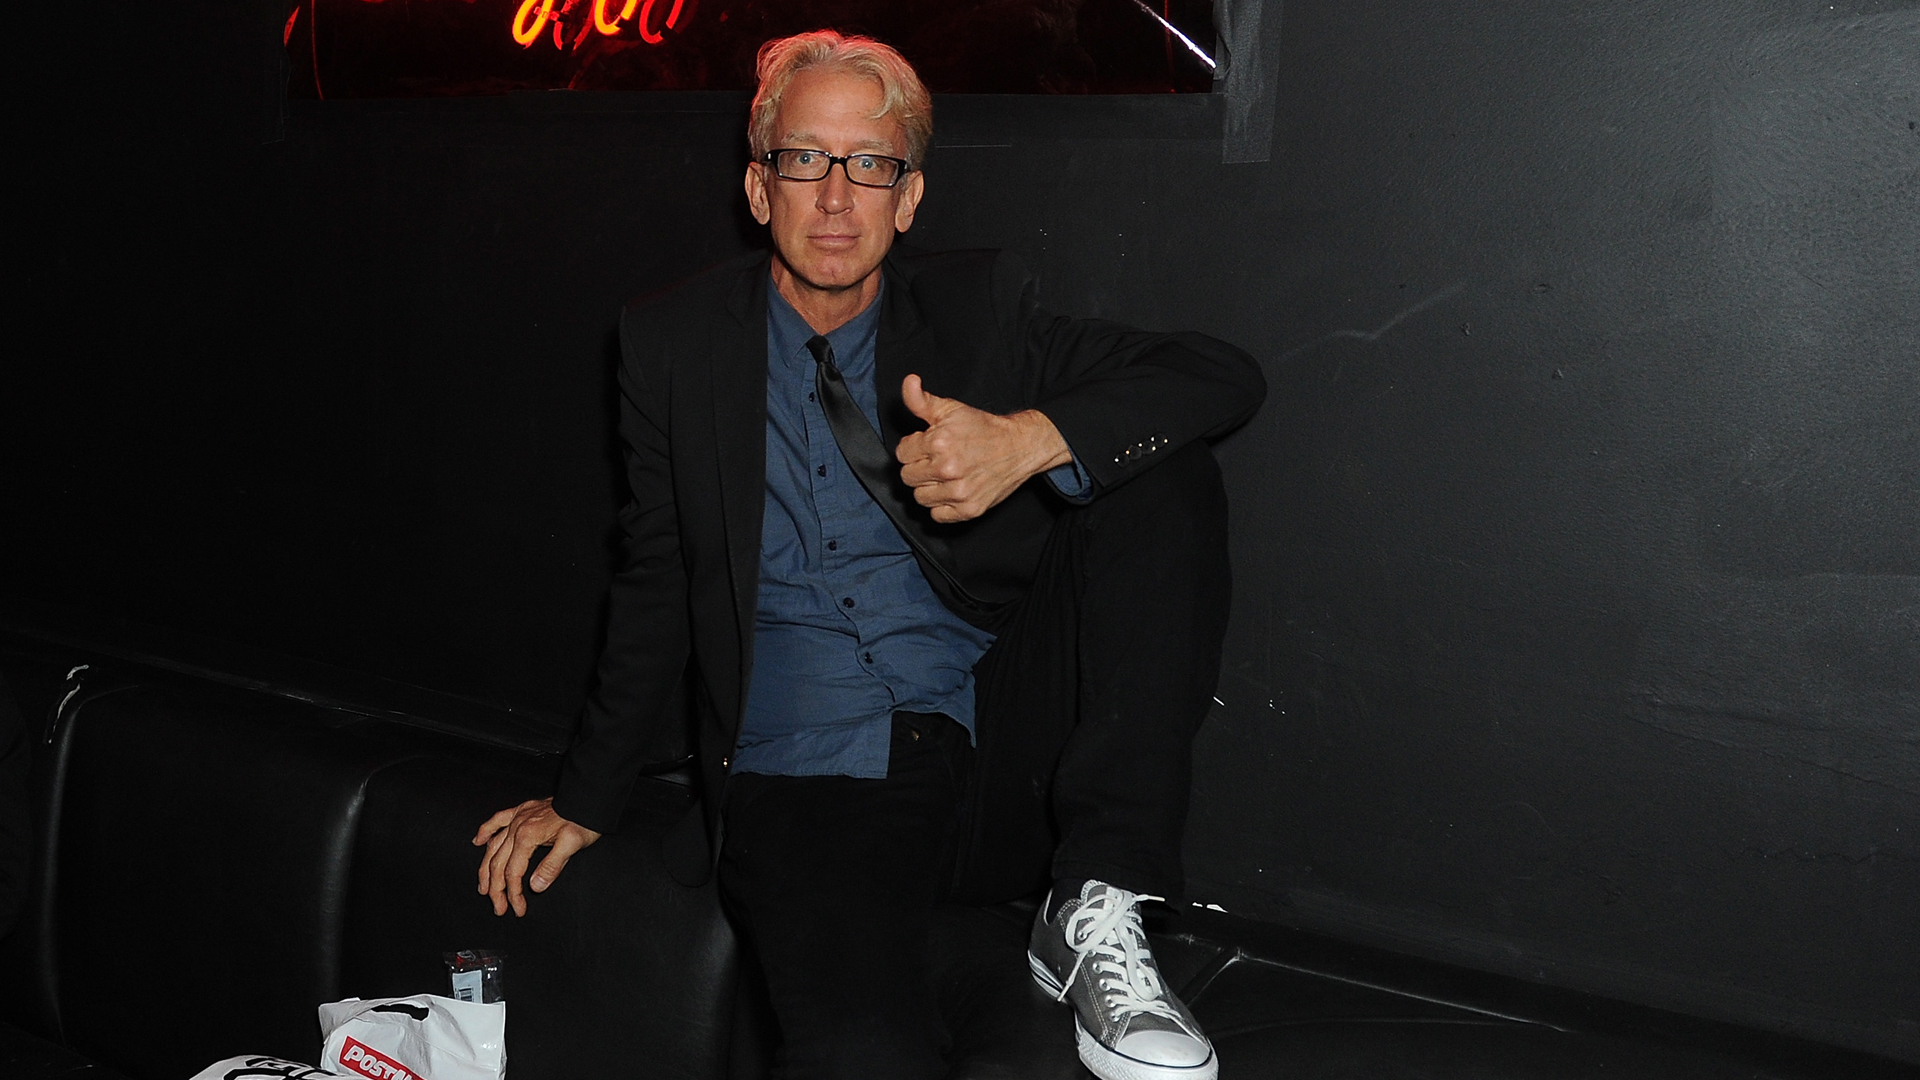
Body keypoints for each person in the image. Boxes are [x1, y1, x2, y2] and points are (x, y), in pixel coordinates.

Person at [473, 30, 1264, 1080]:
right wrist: (584, 795)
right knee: (860, 1053)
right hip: (810, 773)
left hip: (994, 746)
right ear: (760, 188)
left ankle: (1097, 898)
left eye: (870, 164)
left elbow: (1220, 377)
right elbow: (656, 573)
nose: (836, 195)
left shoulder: (977, 314)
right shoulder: (676, 345)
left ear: (910, 197)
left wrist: (1031, 437)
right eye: (805, 158)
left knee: (1151, 458)